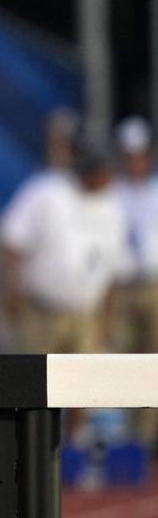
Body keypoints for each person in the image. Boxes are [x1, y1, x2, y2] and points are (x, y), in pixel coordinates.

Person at [0, 133, 129, 441]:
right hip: (40, 310)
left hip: (85, 312)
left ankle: (72, 444)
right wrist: (10, 292)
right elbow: (11, 241)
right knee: (33, 382)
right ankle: (30, 443)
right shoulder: (46, 191)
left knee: (82, 386)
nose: (107, 180)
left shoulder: (113, 205)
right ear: (87, 170)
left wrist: (107, 319)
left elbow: (112, 268)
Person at [112, 116, 158, 453]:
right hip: (122, 287)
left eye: (139, 154)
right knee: (119, 358)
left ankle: (145, 438)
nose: (135, 161)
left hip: (154, 285)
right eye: (129, 154)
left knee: (152, 360)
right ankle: (123, 436)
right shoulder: (112, 192)